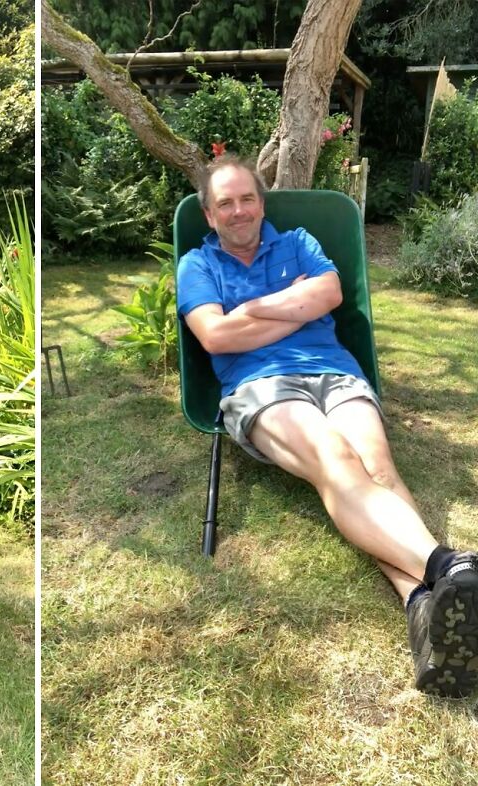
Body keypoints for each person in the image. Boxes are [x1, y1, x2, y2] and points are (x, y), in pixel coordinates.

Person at [177, 154, 478, 697]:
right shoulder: (198, 267)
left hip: (334, 373)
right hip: (261, 388)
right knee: (334, 458)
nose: (239, 210)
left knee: (379, 469)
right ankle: (447, 564)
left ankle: (425, 612)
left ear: (261, 201)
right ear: (208, 212)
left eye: (248, 198)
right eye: (226, 203)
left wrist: (250, 313)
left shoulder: (297, 243)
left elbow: (331, 295)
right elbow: (216, 339)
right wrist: (293, 307)